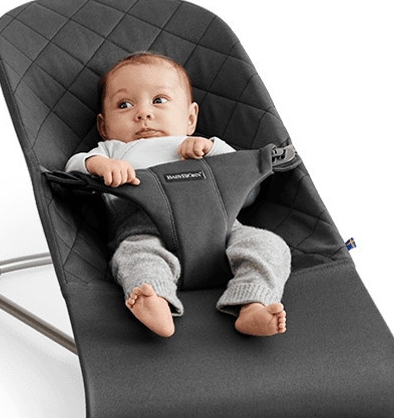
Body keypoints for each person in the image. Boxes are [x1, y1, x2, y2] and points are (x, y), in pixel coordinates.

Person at [65, 52, 291, 338]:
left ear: (190, 117)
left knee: (269, 244)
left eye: (159, 100)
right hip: (145, 230)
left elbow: (247, 193)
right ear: (104, 126)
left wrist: (212, 152)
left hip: (222, 232)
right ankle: (154, 299)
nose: (143, 113)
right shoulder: (114, 150)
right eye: (124, 105)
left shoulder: (205, 146)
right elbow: (73, 168)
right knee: (135, 255)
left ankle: (254, 301)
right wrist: (100, 165)